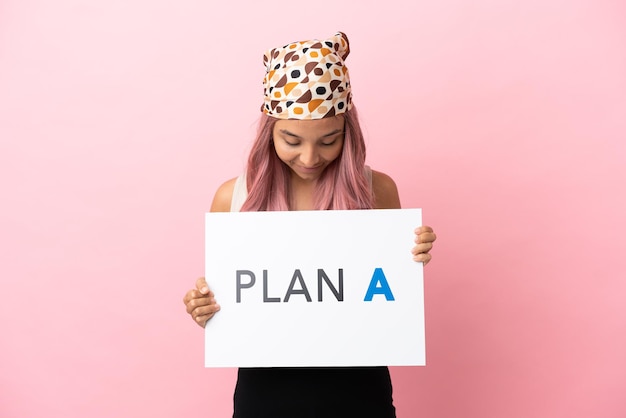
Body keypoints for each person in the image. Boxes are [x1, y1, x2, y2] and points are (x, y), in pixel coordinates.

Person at [183, 32, 437, 418]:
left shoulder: (377, 189)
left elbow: (390, 296)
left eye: (328, 141)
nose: (309, 157)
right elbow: (229, 305)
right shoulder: (231, 197)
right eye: (291, 139)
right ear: (268, 133)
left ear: (347, 134)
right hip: (264, 397)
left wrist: (413, 256)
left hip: (359, 394)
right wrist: (205, 308)